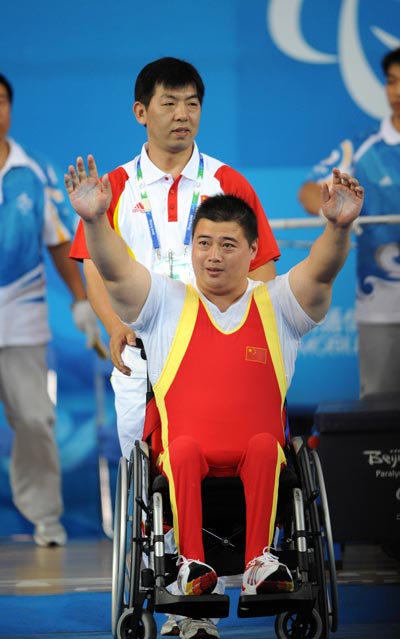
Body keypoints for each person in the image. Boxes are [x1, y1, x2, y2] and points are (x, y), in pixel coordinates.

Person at [65, 153, 363, 639]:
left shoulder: (280, 305)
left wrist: (337, 229)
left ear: (253, 251)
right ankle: (189, 565)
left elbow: (322, 273)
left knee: (268, 448)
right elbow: (117, 272)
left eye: (228, 245)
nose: (213, 255)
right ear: (191, 248)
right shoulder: (164, 301)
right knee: (181, 450)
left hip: (257, 456)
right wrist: (96, 222)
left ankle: (259, 563)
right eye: (203, 243)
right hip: (185, 457)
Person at [70, 57, 280, 462]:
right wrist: (114, 326)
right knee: (142, 468)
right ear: (141, 112)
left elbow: (262, 268)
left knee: (225, 460)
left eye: (192, 103)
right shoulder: (113, 187)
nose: (182, 115)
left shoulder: (229, 183)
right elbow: (94, 265)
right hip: (141, 351)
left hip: (217, 349)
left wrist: (239, 332)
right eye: (169, 103)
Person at [0, 74, 102, 547]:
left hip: (22, 321)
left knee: (37, 420)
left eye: (1, 101)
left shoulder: (35, 172)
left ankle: (45, 517)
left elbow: (60, 244)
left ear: (11, 109)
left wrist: (82, 301)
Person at [298, 47, 400, 400]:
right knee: (380, 416)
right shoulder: (360, 147)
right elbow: (310, 190)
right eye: (391, 82)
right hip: (382, 305)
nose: (397, 92)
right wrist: (329, 210)